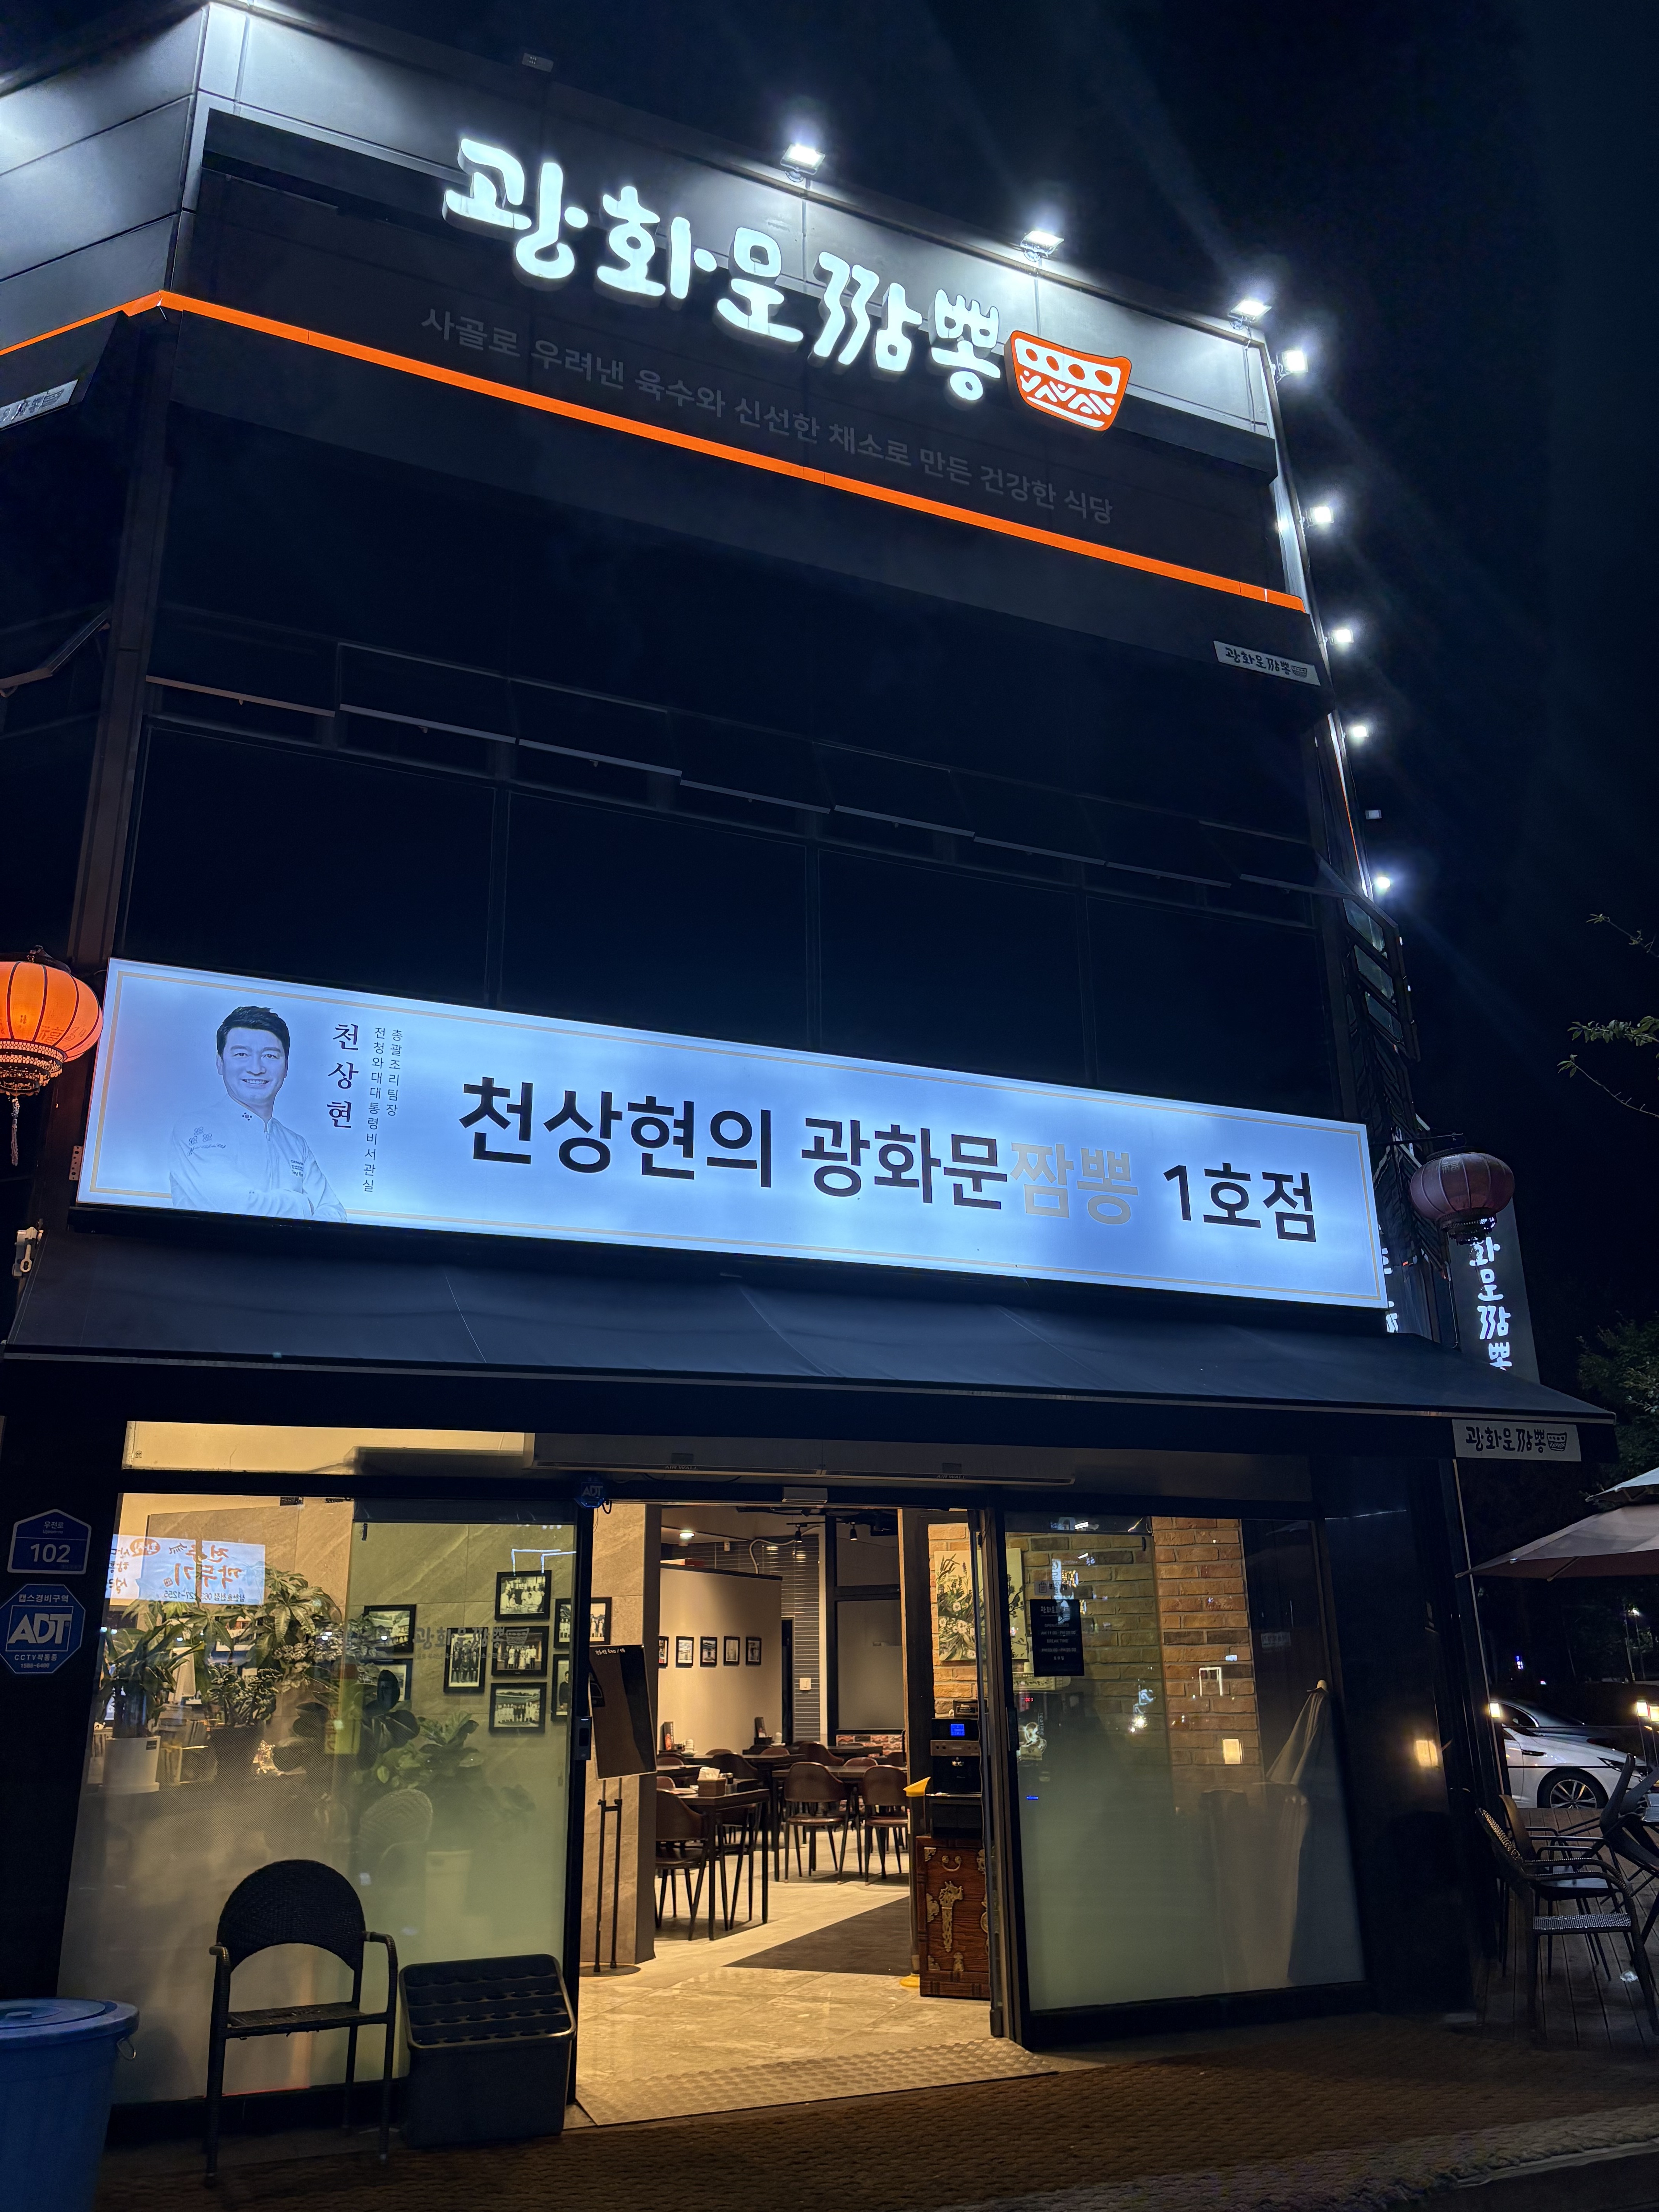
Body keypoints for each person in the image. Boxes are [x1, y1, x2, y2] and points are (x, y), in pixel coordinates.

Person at [169, 1005, 346, 1220]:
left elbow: (335, 1213)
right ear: (220, 1063)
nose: (256, 1068)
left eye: (270, 1056)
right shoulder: (196, 1129)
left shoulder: (295, 1144)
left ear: (286, 1067)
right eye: (242, 1054)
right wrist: (305, 1205)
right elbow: (239, 1207)